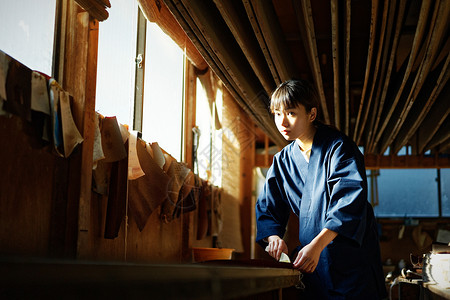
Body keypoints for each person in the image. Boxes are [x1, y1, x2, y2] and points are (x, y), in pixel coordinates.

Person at [255, 79, 387, 299]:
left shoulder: (339, 148)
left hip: (350, 262)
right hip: (313, 264)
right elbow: (268, 208)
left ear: (312, 114)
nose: (282, 122)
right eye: (277, 113)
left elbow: (348, 202)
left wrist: (317, 246)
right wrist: (273, 238)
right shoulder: (282, 161)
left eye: (291, 113)